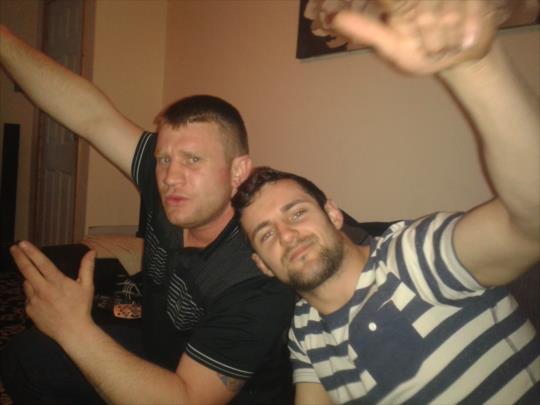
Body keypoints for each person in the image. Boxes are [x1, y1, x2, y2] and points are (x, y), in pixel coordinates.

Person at [232, 1, 540, 404]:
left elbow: (531, 219)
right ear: (262, 265)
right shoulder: (306, 331)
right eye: (267, 235)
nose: (287, 235)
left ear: (333, 214)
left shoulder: (413, 255)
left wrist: (478, 68)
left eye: (297, 212)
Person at [0, 26, 295, 405]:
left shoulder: (256, 274)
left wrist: (74, 328)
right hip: (158, 351)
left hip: (210, 393)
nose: (170, 177)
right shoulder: (170, 185)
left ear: (238, 171)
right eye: (164, 159)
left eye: (193, 159)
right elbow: (91, 116)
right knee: (27, 358)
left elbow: (189, 399)